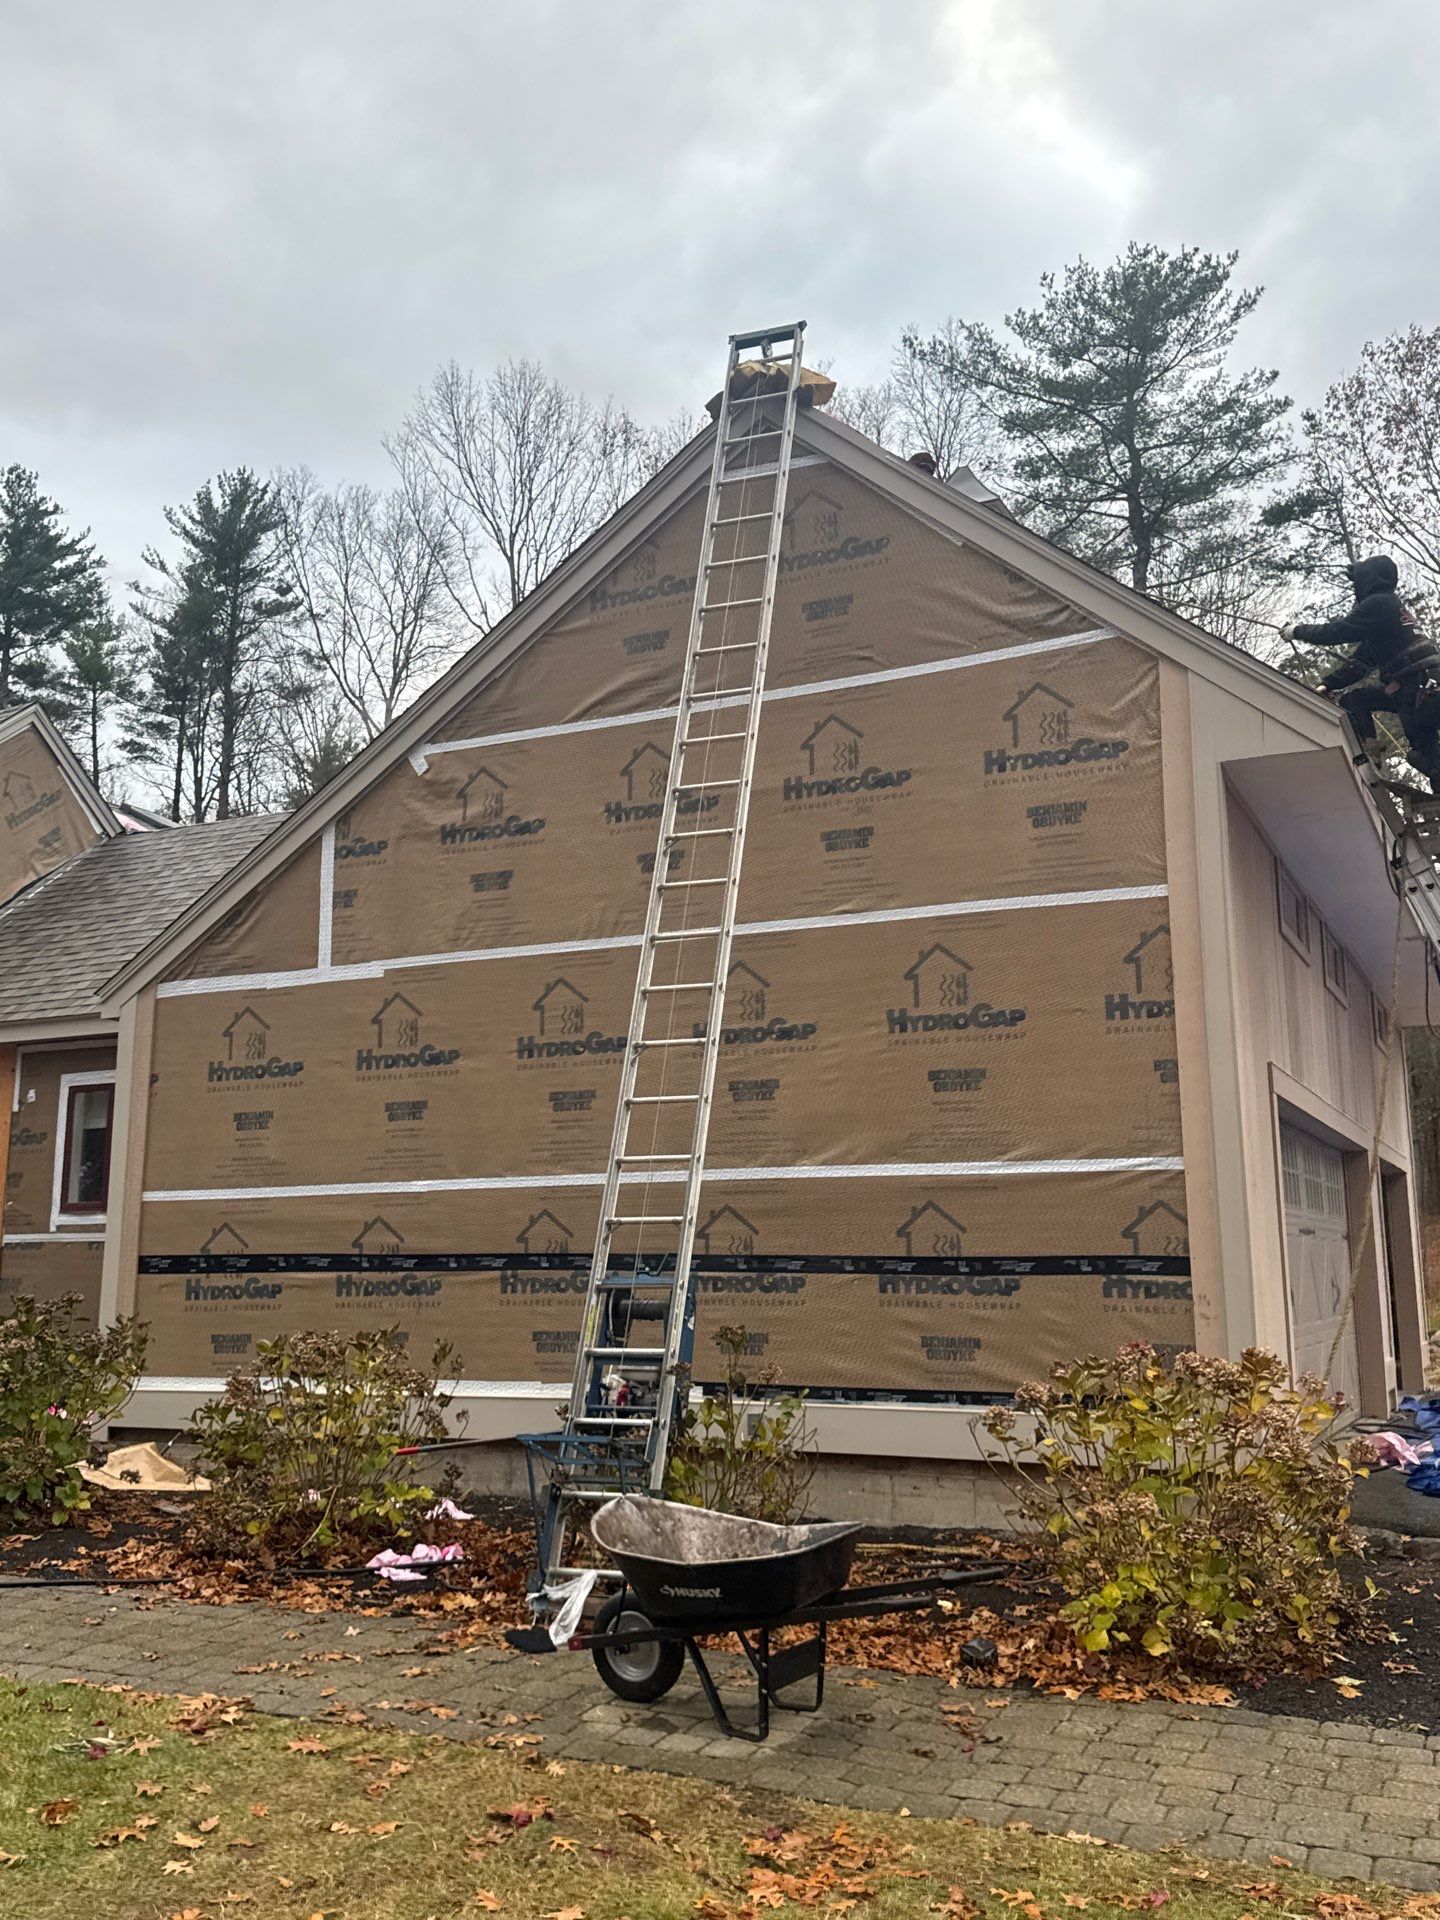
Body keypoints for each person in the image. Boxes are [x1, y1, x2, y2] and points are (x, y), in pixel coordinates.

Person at [1282, 556, 1440, 786]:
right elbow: (1360, 664)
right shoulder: (1388, 617)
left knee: (1426, 757)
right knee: (1354, 701)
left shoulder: (1380, 603)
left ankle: (1428, 781)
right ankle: (1371, 752)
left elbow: (1338, 631)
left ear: (1368, 579)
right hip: (1417, 690)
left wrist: (1297, 631)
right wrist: (1327, 685)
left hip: (1418, 690)